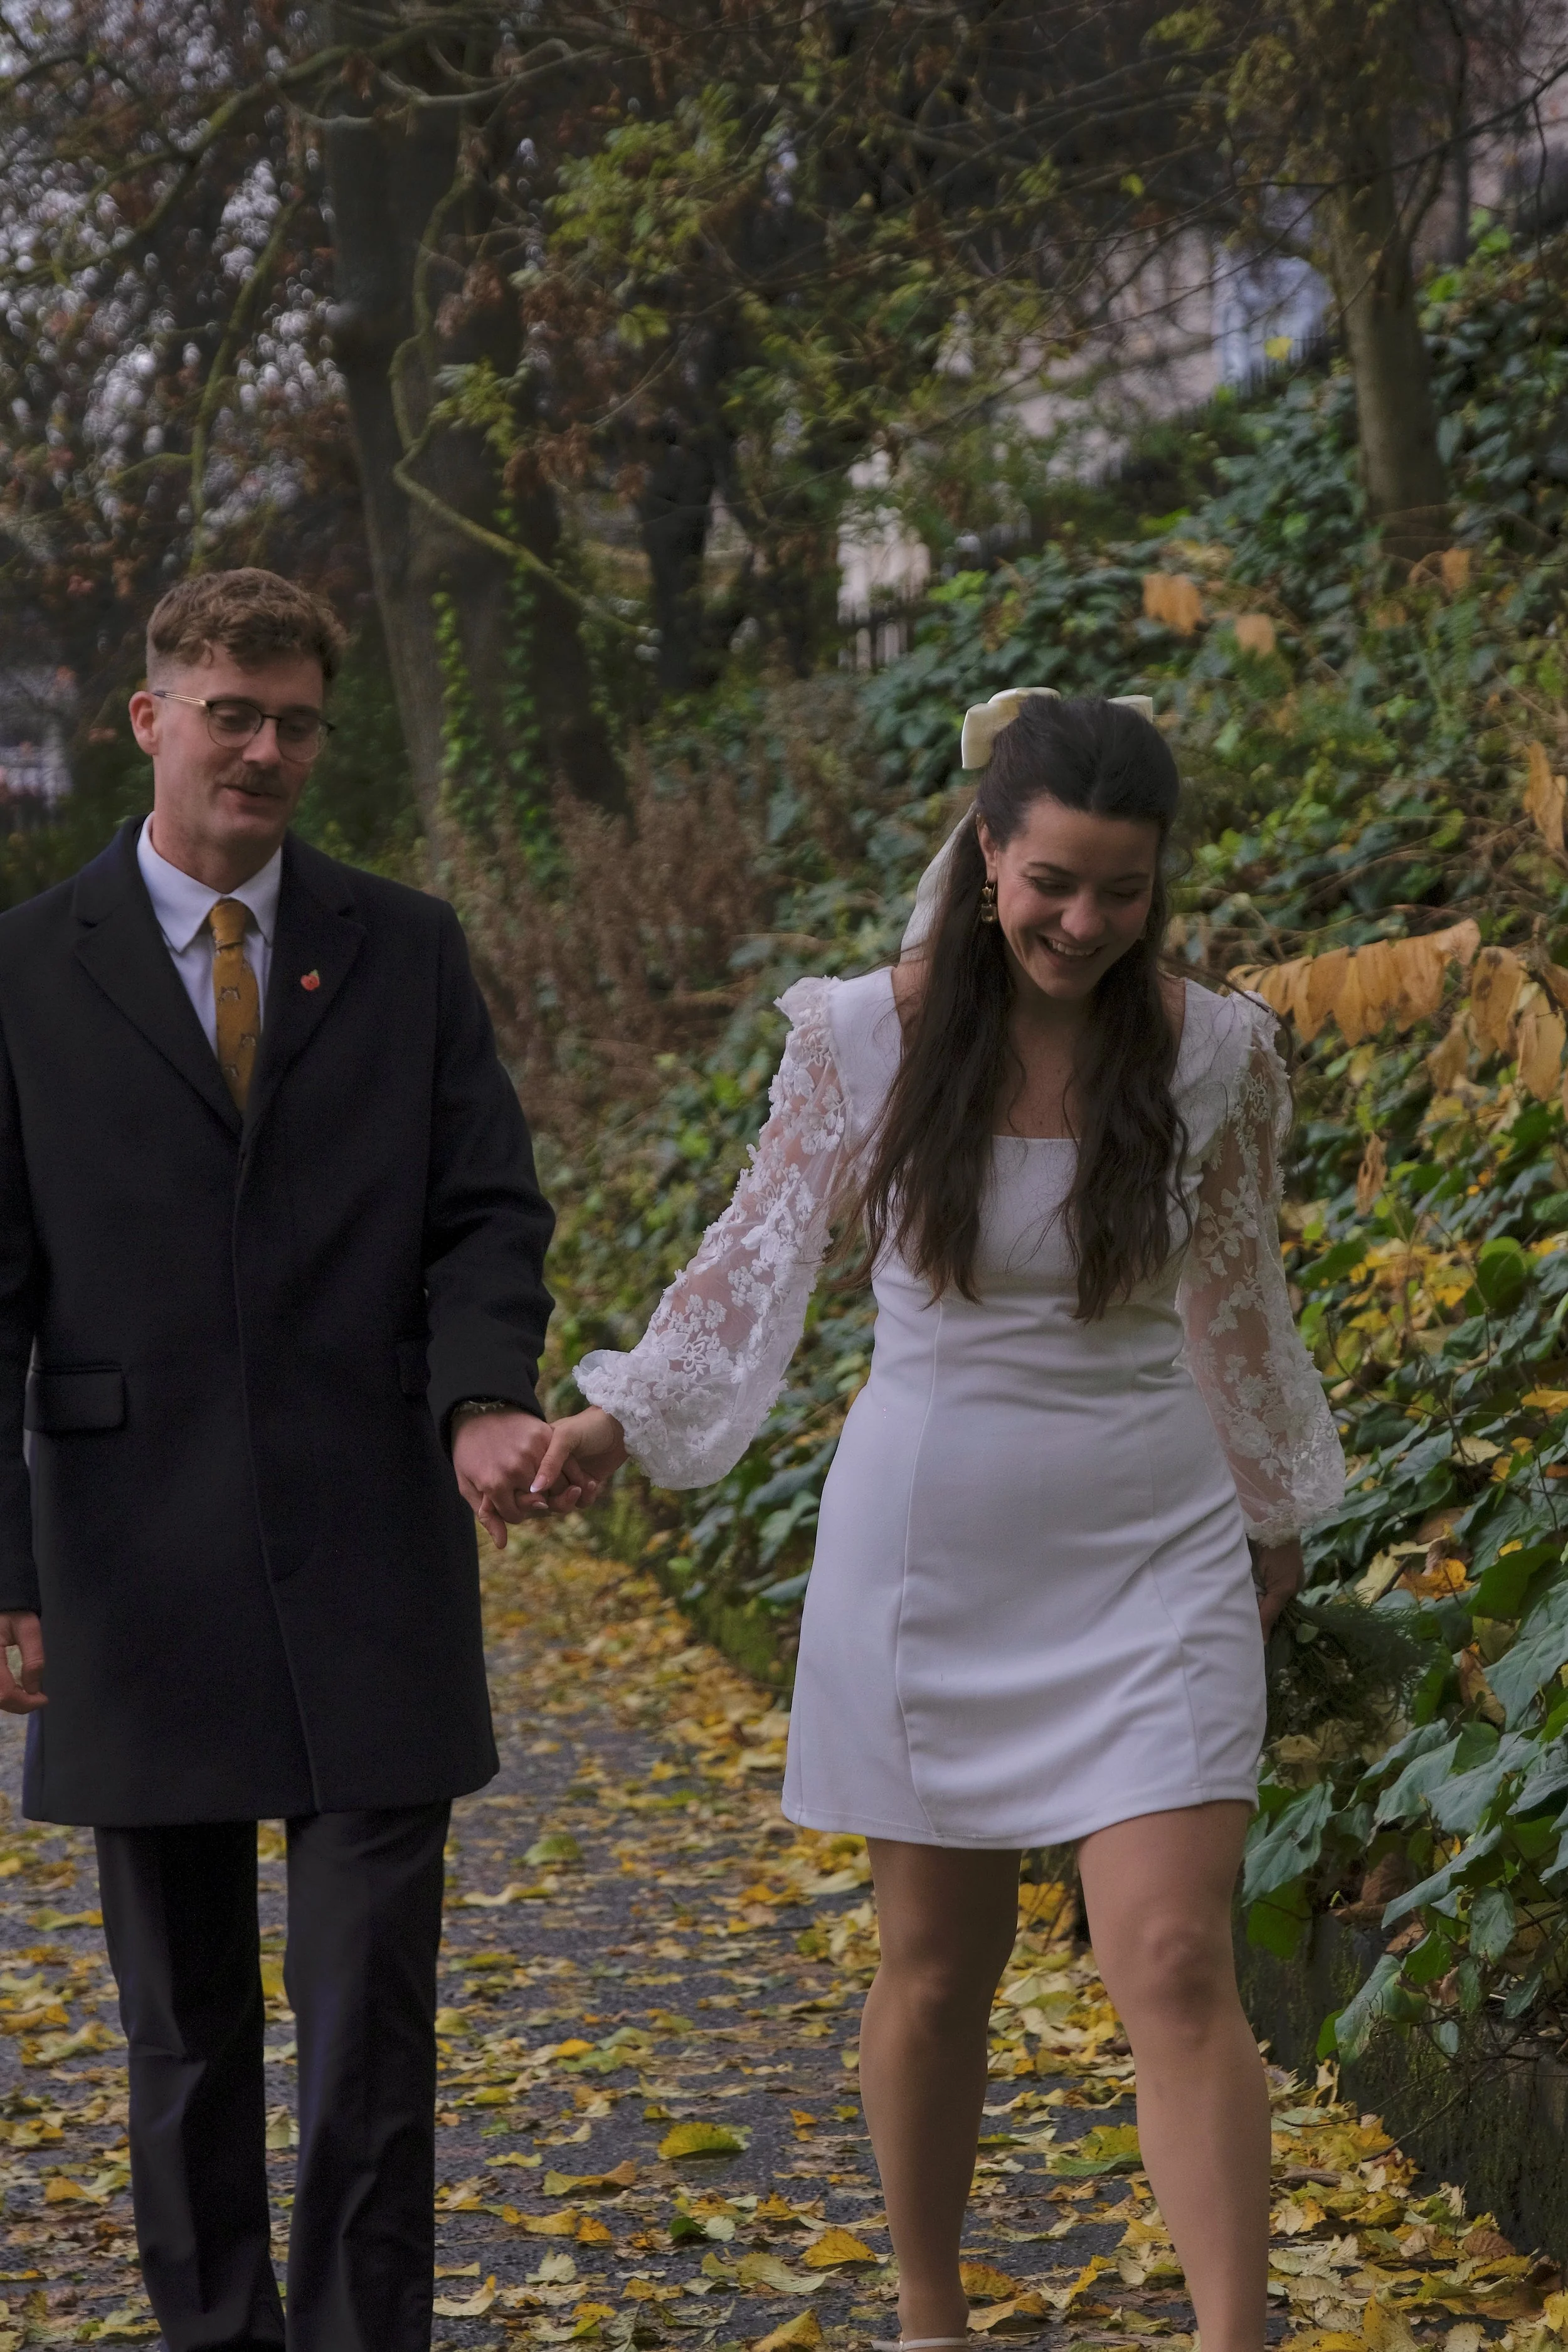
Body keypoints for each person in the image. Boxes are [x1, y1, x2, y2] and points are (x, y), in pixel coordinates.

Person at [534, 690, 1345, 2352]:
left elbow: (1242, 1305)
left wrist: (1273, 1509)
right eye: (1052, 879)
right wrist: (621, 1418)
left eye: (1121, 891)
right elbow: (750, 1268)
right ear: (985, 854)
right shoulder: (858, 1033)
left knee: (1179, 1956)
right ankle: (926, 2316)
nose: (1082, 922)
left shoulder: (1218, 1052)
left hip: (1153, 1536)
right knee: (933, 1965)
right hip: (928, 1549)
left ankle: (1234, 2339)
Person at [0, 567, 583, 2352]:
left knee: (367, 2016)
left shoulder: (402, 947)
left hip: (370, 1552)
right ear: (151, 718)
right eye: (230, 709)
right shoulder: (24, 968)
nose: (264, 748)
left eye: (296, 720)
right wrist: (1, 1577)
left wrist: (485, 1394)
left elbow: (486, 1208)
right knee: (179, 2031)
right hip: (129, 1559)